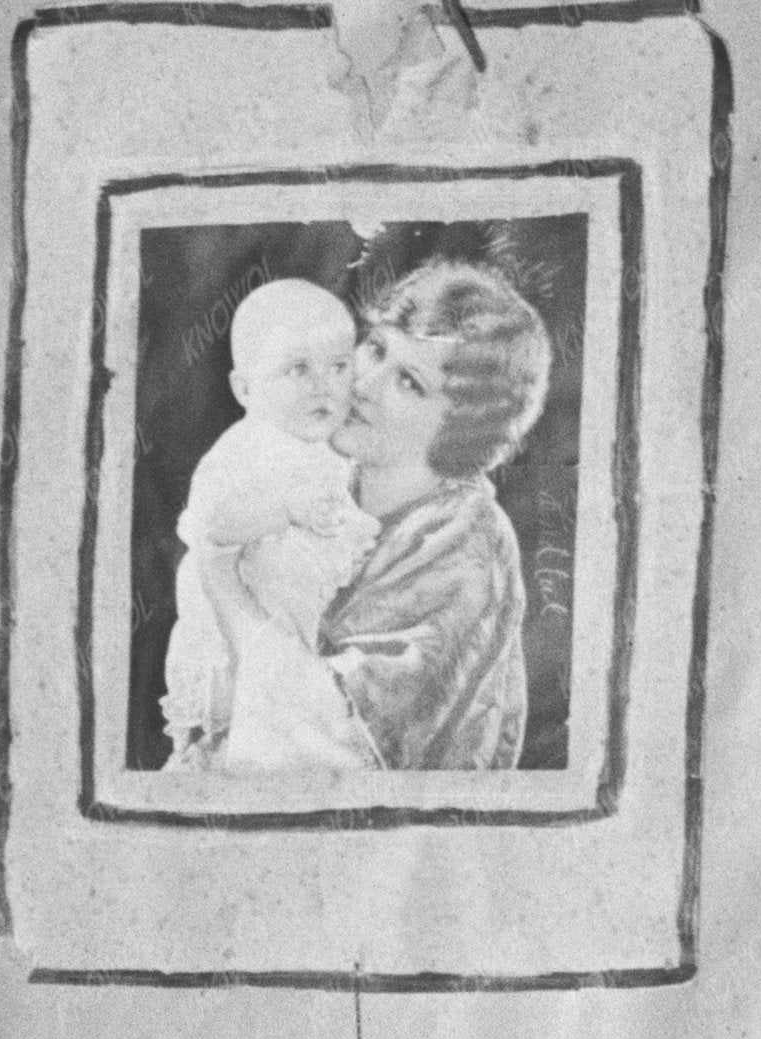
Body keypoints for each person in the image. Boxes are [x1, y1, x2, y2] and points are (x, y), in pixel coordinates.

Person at [319, 257, 557, 772]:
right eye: (375, 349)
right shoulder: (324, 479)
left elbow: (351, 730)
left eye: (409, 382)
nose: (364, 384)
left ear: (462, 427)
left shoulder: (467, 542)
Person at [161, 276, 378, 770]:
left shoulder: (321, 445)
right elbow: (212, 525)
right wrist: (284, 510)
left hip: (293, 620)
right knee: (250, 736)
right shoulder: (246, 450)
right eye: (298, 369)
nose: (325, 386)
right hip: (229, 633)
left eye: (339, 367)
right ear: (245, 388)